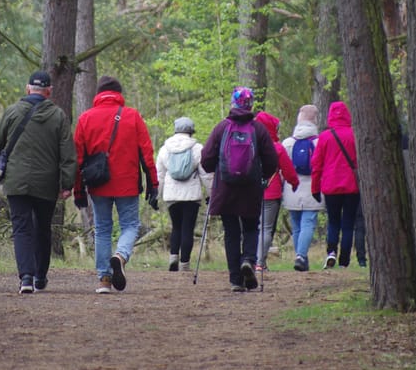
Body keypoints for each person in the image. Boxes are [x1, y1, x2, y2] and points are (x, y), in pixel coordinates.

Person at [0, 70, 77, 294]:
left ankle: (26, 277)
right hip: (46, 183)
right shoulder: (58, 116)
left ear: (28, 89)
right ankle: (40, 276)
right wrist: (67, 184)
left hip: (16, 181)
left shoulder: (13, 111)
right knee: (43, 229)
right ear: (49, 92)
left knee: (21, 229)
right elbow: (68, 153)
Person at [73, 76, 158, 294]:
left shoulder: (85, 118)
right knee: (130, 224)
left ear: (98, 94)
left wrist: (78, 189)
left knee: (102, 228)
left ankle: (104, 279)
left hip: (98, 183)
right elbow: (146, 153)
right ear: (119, 94)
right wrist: (153, 184)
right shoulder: (132, 116)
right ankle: (120, 256)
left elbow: (78, 158)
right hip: (127, 183)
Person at [200, 87, 279, 292]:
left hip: (225, 189)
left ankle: (236, 279)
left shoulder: (222, 128)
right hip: (250, 189)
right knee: (252, 227)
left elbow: (207, 159)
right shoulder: (258, 129)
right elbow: (272, 160)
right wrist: (263, 176)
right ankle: (249, 261)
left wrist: (214, 168)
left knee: (231, 232)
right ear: (251, 104)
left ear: (233, 104)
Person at [155, 116, 212, 272]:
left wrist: (156, 195)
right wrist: (211, 194)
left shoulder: (164, 149)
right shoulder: (198, 148)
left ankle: (173, 257)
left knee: (176, 227)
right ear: (191, 131)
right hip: (191, 195)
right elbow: (206, 174)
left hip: (171, 195)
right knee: (188, 228)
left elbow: (159, 175)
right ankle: (184, 264)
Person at [310, 101, 360, 268]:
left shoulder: (324, 137)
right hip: (352, 186)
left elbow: (316, 165)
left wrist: (315, 188)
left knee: (333, 221)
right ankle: (344, 261)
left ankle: (331, 252)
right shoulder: (354, 134)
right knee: (348, 223)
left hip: (331, 186)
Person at [252, 111, 299, 272]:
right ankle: (259, 262)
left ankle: (250, 260)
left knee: (252, 227)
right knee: (265, 228)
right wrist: (294, 183)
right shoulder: (277, 148)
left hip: (250, 191)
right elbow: (288, 170)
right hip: (270, 192)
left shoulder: (249, 145)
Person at [280, 104, 323, 271]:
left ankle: (299, 257)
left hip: (293, 187)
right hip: (313, 187)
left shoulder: (288, 143)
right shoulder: (319, 142)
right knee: (308, 223)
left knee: (296, 225)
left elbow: (283, 167)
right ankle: (301, 256)